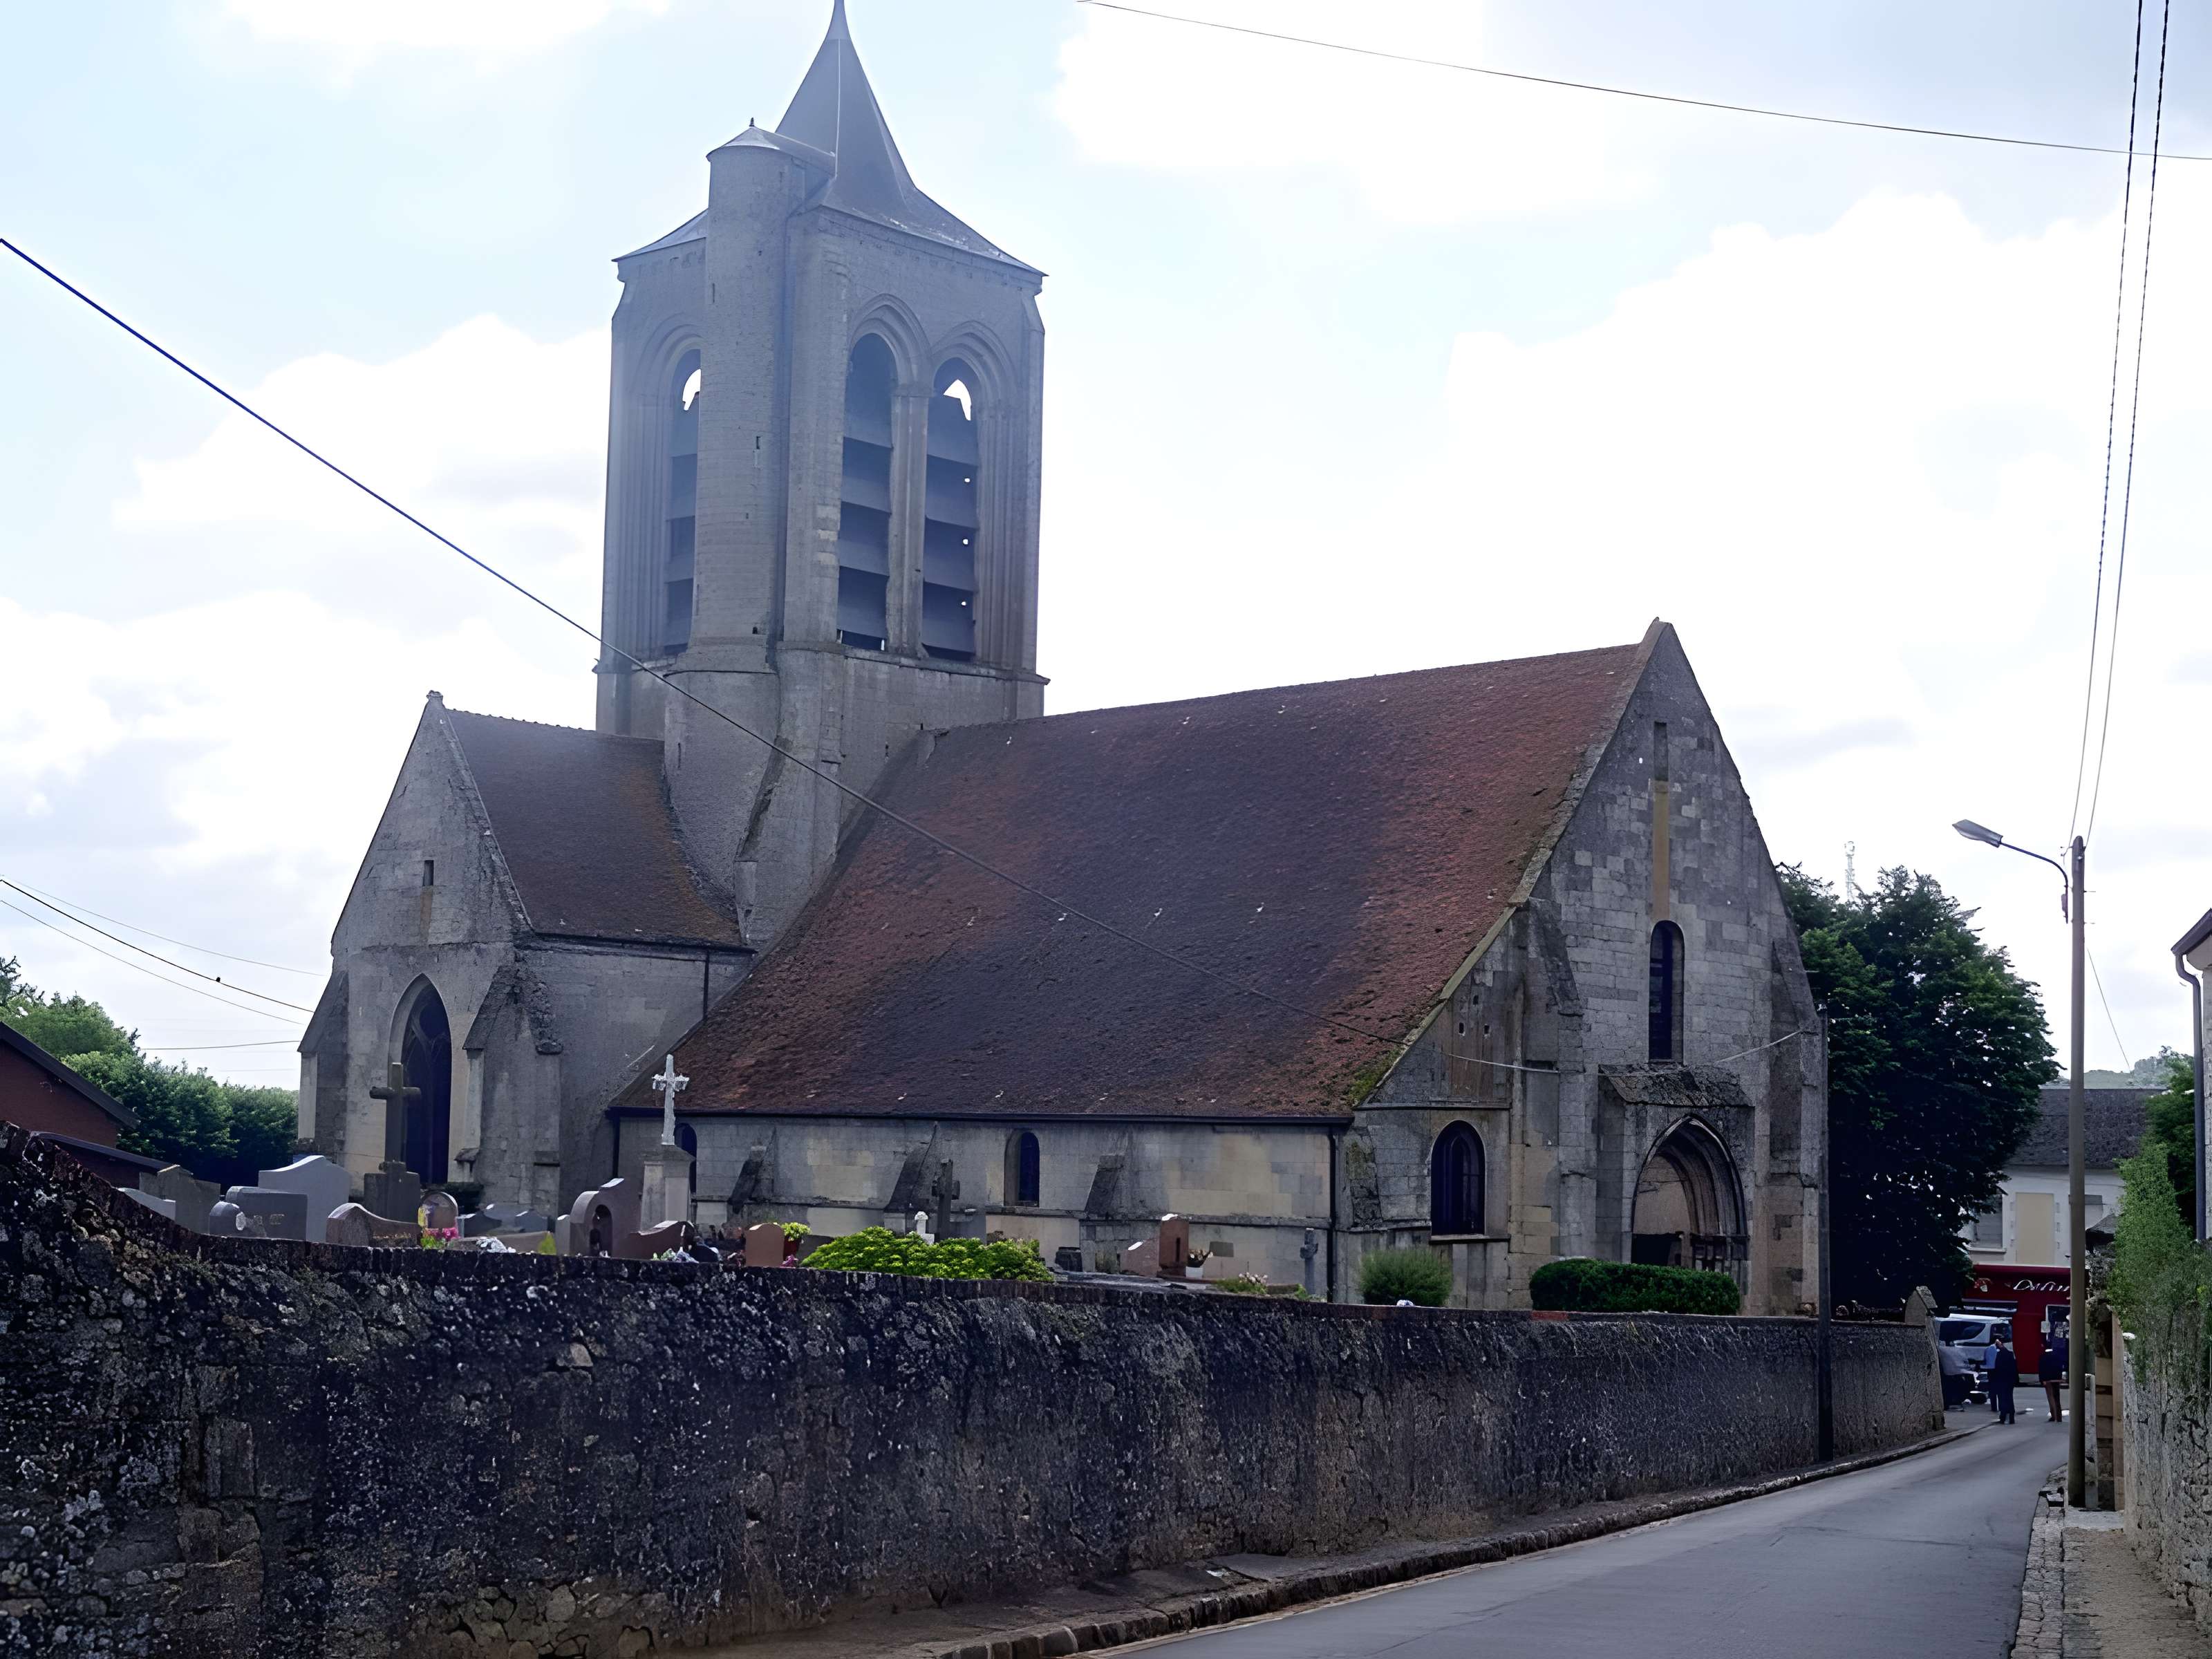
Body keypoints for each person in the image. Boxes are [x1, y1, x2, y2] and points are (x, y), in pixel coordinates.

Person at [2042, 1324, 2070, 1422]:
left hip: (2048, 1380)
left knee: (2051, 1398)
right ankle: (2059, 1416)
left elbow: (2042, 1369)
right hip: (2056, 1379)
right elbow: (2061, 1366)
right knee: (2057, 1398)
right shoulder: (2056, 1356)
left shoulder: (2044, 1357)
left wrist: (2043, 1380)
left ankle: (2054, 1416)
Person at [1989, 1336, 2019, 1425]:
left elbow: (1996, 1368)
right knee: (2009, 1397)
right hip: (2009, 1379)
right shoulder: (2010, 1354)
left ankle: (2003, 1416)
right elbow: (2014, 1367)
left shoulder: (1999, 1355)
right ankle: (2011, 1417)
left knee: (2002, 1398)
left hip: (2001, 1379)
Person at [1938, 1340, 1971, 1409]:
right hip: (1954, 1373)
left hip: (1947, 1373)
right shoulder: (1955, 1351)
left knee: (1946, 1390)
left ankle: (1946, 1404)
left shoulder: (1942, 1351)